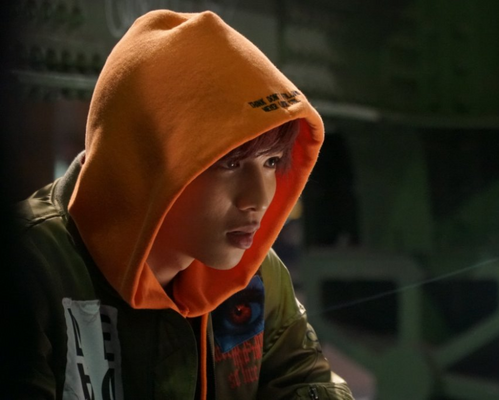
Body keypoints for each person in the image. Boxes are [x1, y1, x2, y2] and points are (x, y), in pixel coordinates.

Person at [6, 10, 354, 400]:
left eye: (272, 162)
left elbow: (307, 381)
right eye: (230, 164)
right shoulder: (27, 269)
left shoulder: (255, 273)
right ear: (149, 161)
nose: (258, 199)